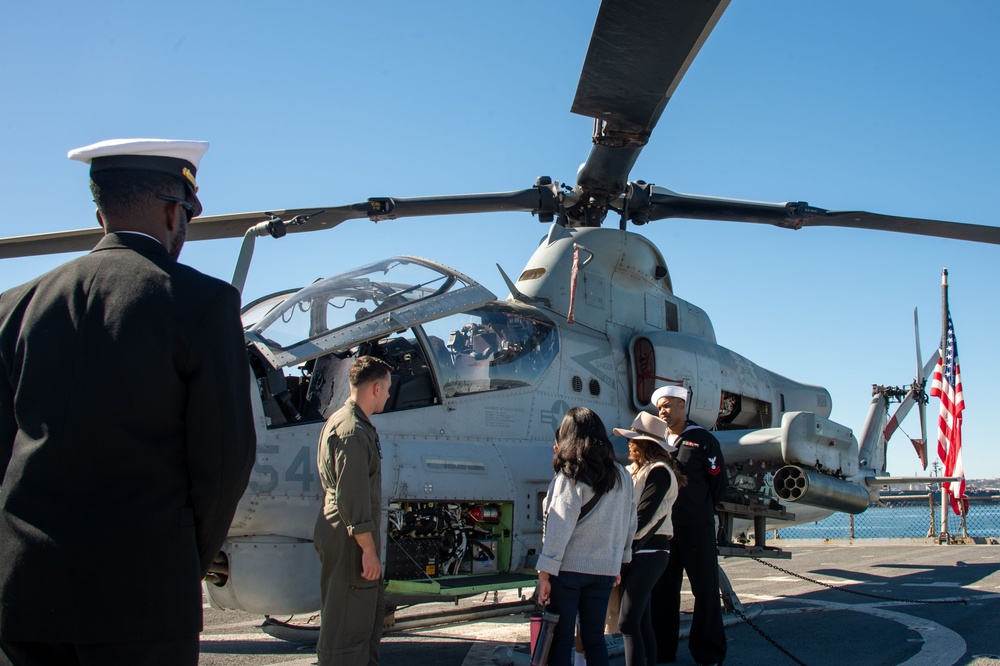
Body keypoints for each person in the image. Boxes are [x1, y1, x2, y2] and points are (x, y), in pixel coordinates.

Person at [0, 138, 257, 665]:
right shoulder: (203, 304)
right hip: (141, 601)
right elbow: (226, 463)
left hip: (23, 598)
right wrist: (179, 561)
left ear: (100, 211)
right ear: (173, 212)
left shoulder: (15, 307)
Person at [536, 407, 637, 666]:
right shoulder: (623, 476)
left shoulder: (570, 474)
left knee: (561, 639)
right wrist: (620, 563)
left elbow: (559, 526)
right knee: (594, 639)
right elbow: (629, 523)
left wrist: (545, 572)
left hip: (568, 570)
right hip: (604, 569)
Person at [313, 355, 393, 666]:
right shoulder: (351, 431)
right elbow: (353, 496)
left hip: (348, 533)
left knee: (362, 618)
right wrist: (368, 550)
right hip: (350, 538)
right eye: (386, 388)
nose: (388, 394)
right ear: (375, 388)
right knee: (347, 626)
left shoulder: (350, 423)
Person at [649, 386, 728, 665]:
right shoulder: (657, 442)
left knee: (705, 591)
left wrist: (698, 510)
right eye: (660, 407)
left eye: (668, 406)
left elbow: (719, 483)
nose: (663, 411)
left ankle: (709, 653)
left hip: (696, 528)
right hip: (665, 530)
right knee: (662, 593)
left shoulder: (702, 441)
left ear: (683, 406)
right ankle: (663, 651)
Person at [612, 412, 686, 666]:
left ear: (645, 443)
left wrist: (618, 541)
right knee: (640, 622)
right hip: (642, 551)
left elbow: (643, 516)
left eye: (633, 439)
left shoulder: (659, 472)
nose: (629, 443)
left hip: (649, 551)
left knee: (628, 623)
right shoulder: (639, 470)